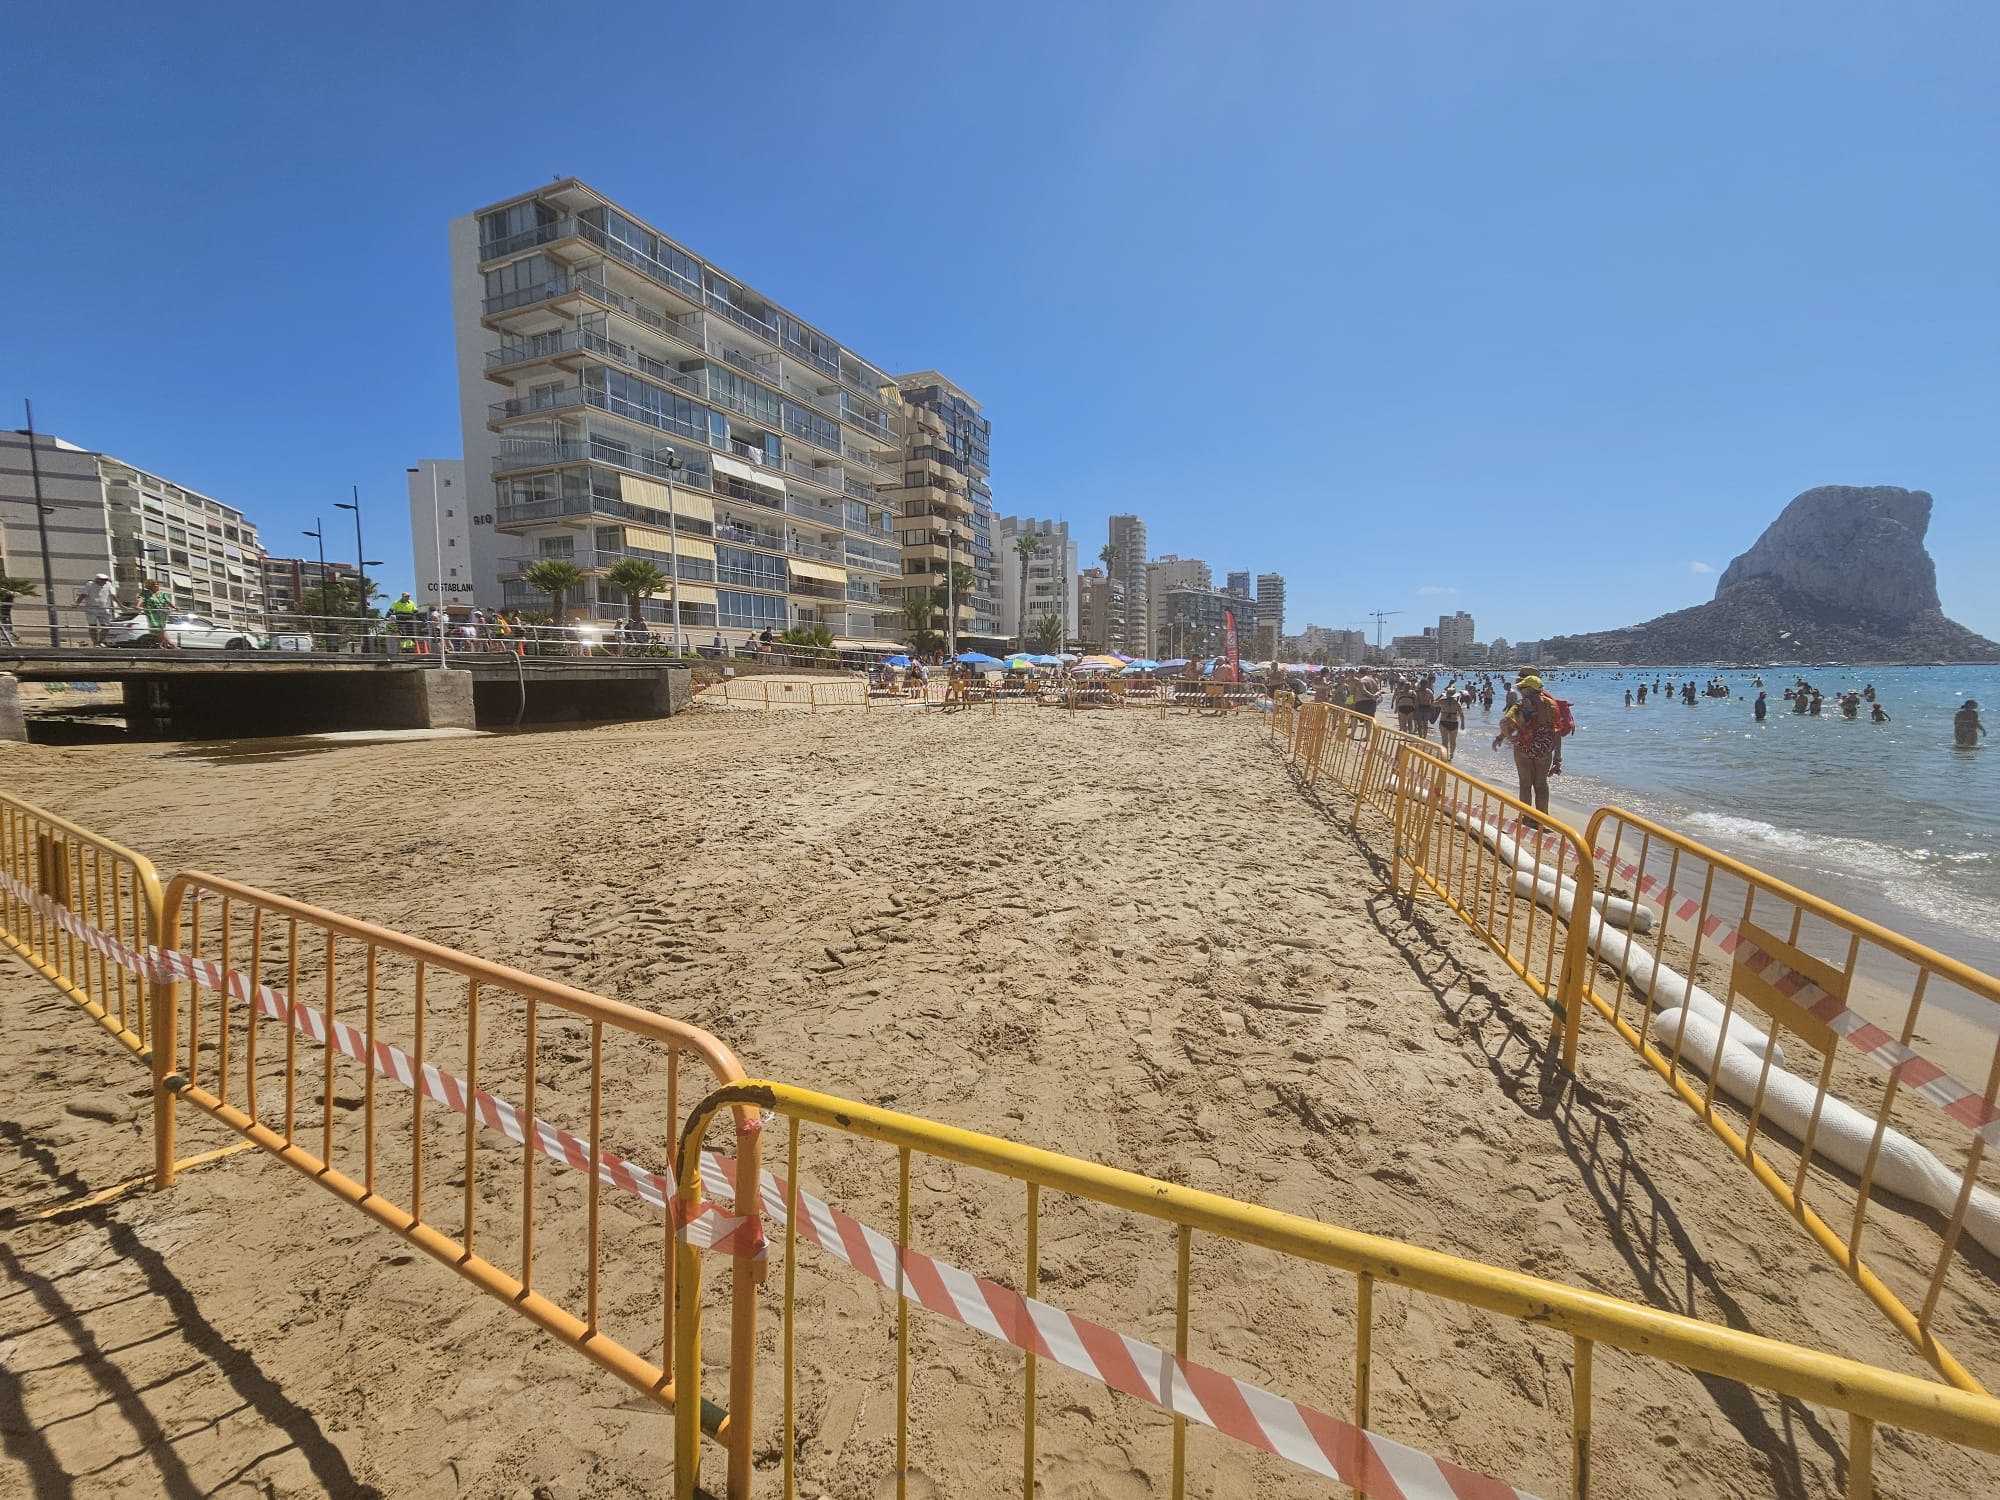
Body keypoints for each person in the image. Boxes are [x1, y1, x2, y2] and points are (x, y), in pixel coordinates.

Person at [1492, 674, 1560, 813]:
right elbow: (1557, 731)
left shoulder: (1521, 705)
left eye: (1522, 687)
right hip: (1544, 749)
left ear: (1529, 690)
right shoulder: (1551, 704)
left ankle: (1527, 818)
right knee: (1541, 785)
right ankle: (1542, 818)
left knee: (1525, 785)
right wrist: (1558, 757)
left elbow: (1505, 723)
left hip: (1524, 747)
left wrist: (1508, 738)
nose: (1519, 689)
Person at [75, 572, 122, 646]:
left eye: (106, 580)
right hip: (92, 608)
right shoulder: (90, 584)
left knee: (106, 627)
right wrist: (77, 603)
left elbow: (113, 595)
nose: (104, 581)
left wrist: (120, 605)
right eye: (102, 580)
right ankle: (95, 642)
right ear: (97, 580)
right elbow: (83, 594)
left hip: (104, 609)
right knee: (93, 626)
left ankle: (99, 642)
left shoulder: (108, 585)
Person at [138, 578, 177, 649]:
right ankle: (170, 644)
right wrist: (138, 606)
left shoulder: (162, 594)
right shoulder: (146, 593)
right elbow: (141, 599)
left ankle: (161, 644)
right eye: (154, 585)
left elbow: (168, 602)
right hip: (152, 613)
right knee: (160, 629)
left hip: (162, 614)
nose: (156, 586)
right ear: (150, 586)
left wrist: (175, 607)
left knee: (161, 629)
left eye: (157, 585)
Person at [1436, 690, 1464, 762]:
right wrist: (1462, 724)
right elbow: (1461, 714)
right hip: (1454, 722)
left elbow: (1433, 704)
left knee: (1444, 741)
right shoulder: (1457, 703)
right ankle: (1451, 755)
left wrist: (1440, 696)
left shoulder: (1442, 701)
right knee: (1453, 741)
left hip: (1443, 722)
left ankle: (1445, 756)